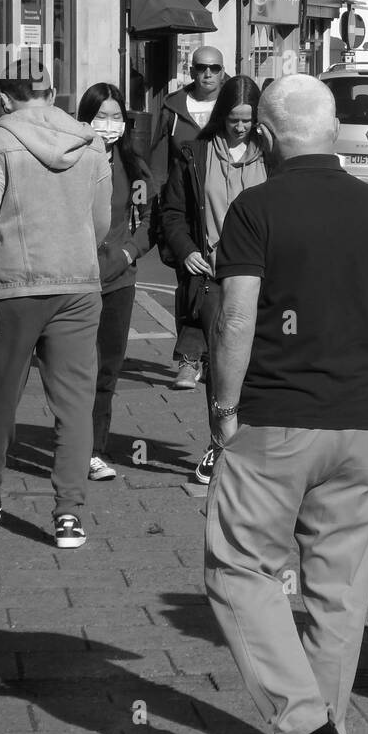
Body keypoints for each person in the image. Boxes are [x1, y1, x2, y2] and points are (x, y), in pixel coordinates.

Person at [204, 75, 368, 734]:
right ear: (334, 131)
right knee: (338, 588)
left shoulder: (254, 207)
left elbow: (236, 316)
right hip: (361, 426)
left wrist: (223, 410)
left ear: (264, 138)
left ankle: (303, 726)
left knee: (239, 569)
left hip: (274, 418)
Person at [0, 55, 111, 549]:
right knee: (75, 402)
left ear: (6, 98)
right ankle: (68, 515)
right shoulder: (90, 144)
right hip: (79, 286)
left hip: (13, 288)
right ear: (53, 92)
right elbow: (100, 221)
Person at [160, 75, 268, 484]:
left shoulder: (271, 156)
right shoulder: (195, 153)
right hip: (215, 277)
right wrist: (186, 249)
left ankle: (251, 444)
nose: (240, 127)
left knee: (258, 364)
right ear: (221, 115)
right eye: (233, 119)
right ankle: (218, 444)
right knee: (222, 366)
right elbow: (171, 212)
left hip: (263, 277)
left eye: (248, 120)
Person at [76, 83, 157, 482]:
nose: (108, 126)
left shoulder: (133, 167)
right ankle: (70, 443)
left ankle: (93, 450)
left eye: (115, 117)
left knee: (107, 369)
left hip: (118, 281)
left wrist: (129, 253)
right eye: (99, 117)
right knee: (74, 370)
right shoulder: (69, 160)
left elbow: (149, 224)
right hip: (75, 280)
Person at [150, 45, 227, 391]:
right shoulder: (172, 108)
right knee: (191, 283)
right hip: (183, 207)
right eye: (201, 68)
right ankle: (189, 359)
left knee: (221, 285)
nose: (207, 74)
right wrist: (154, 200)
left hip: (222, 204)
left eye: (213, 68)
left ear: (223, 71)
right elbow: (157, 161)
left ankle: (207, 357)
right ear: (191, 70)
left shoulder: (232, 106)